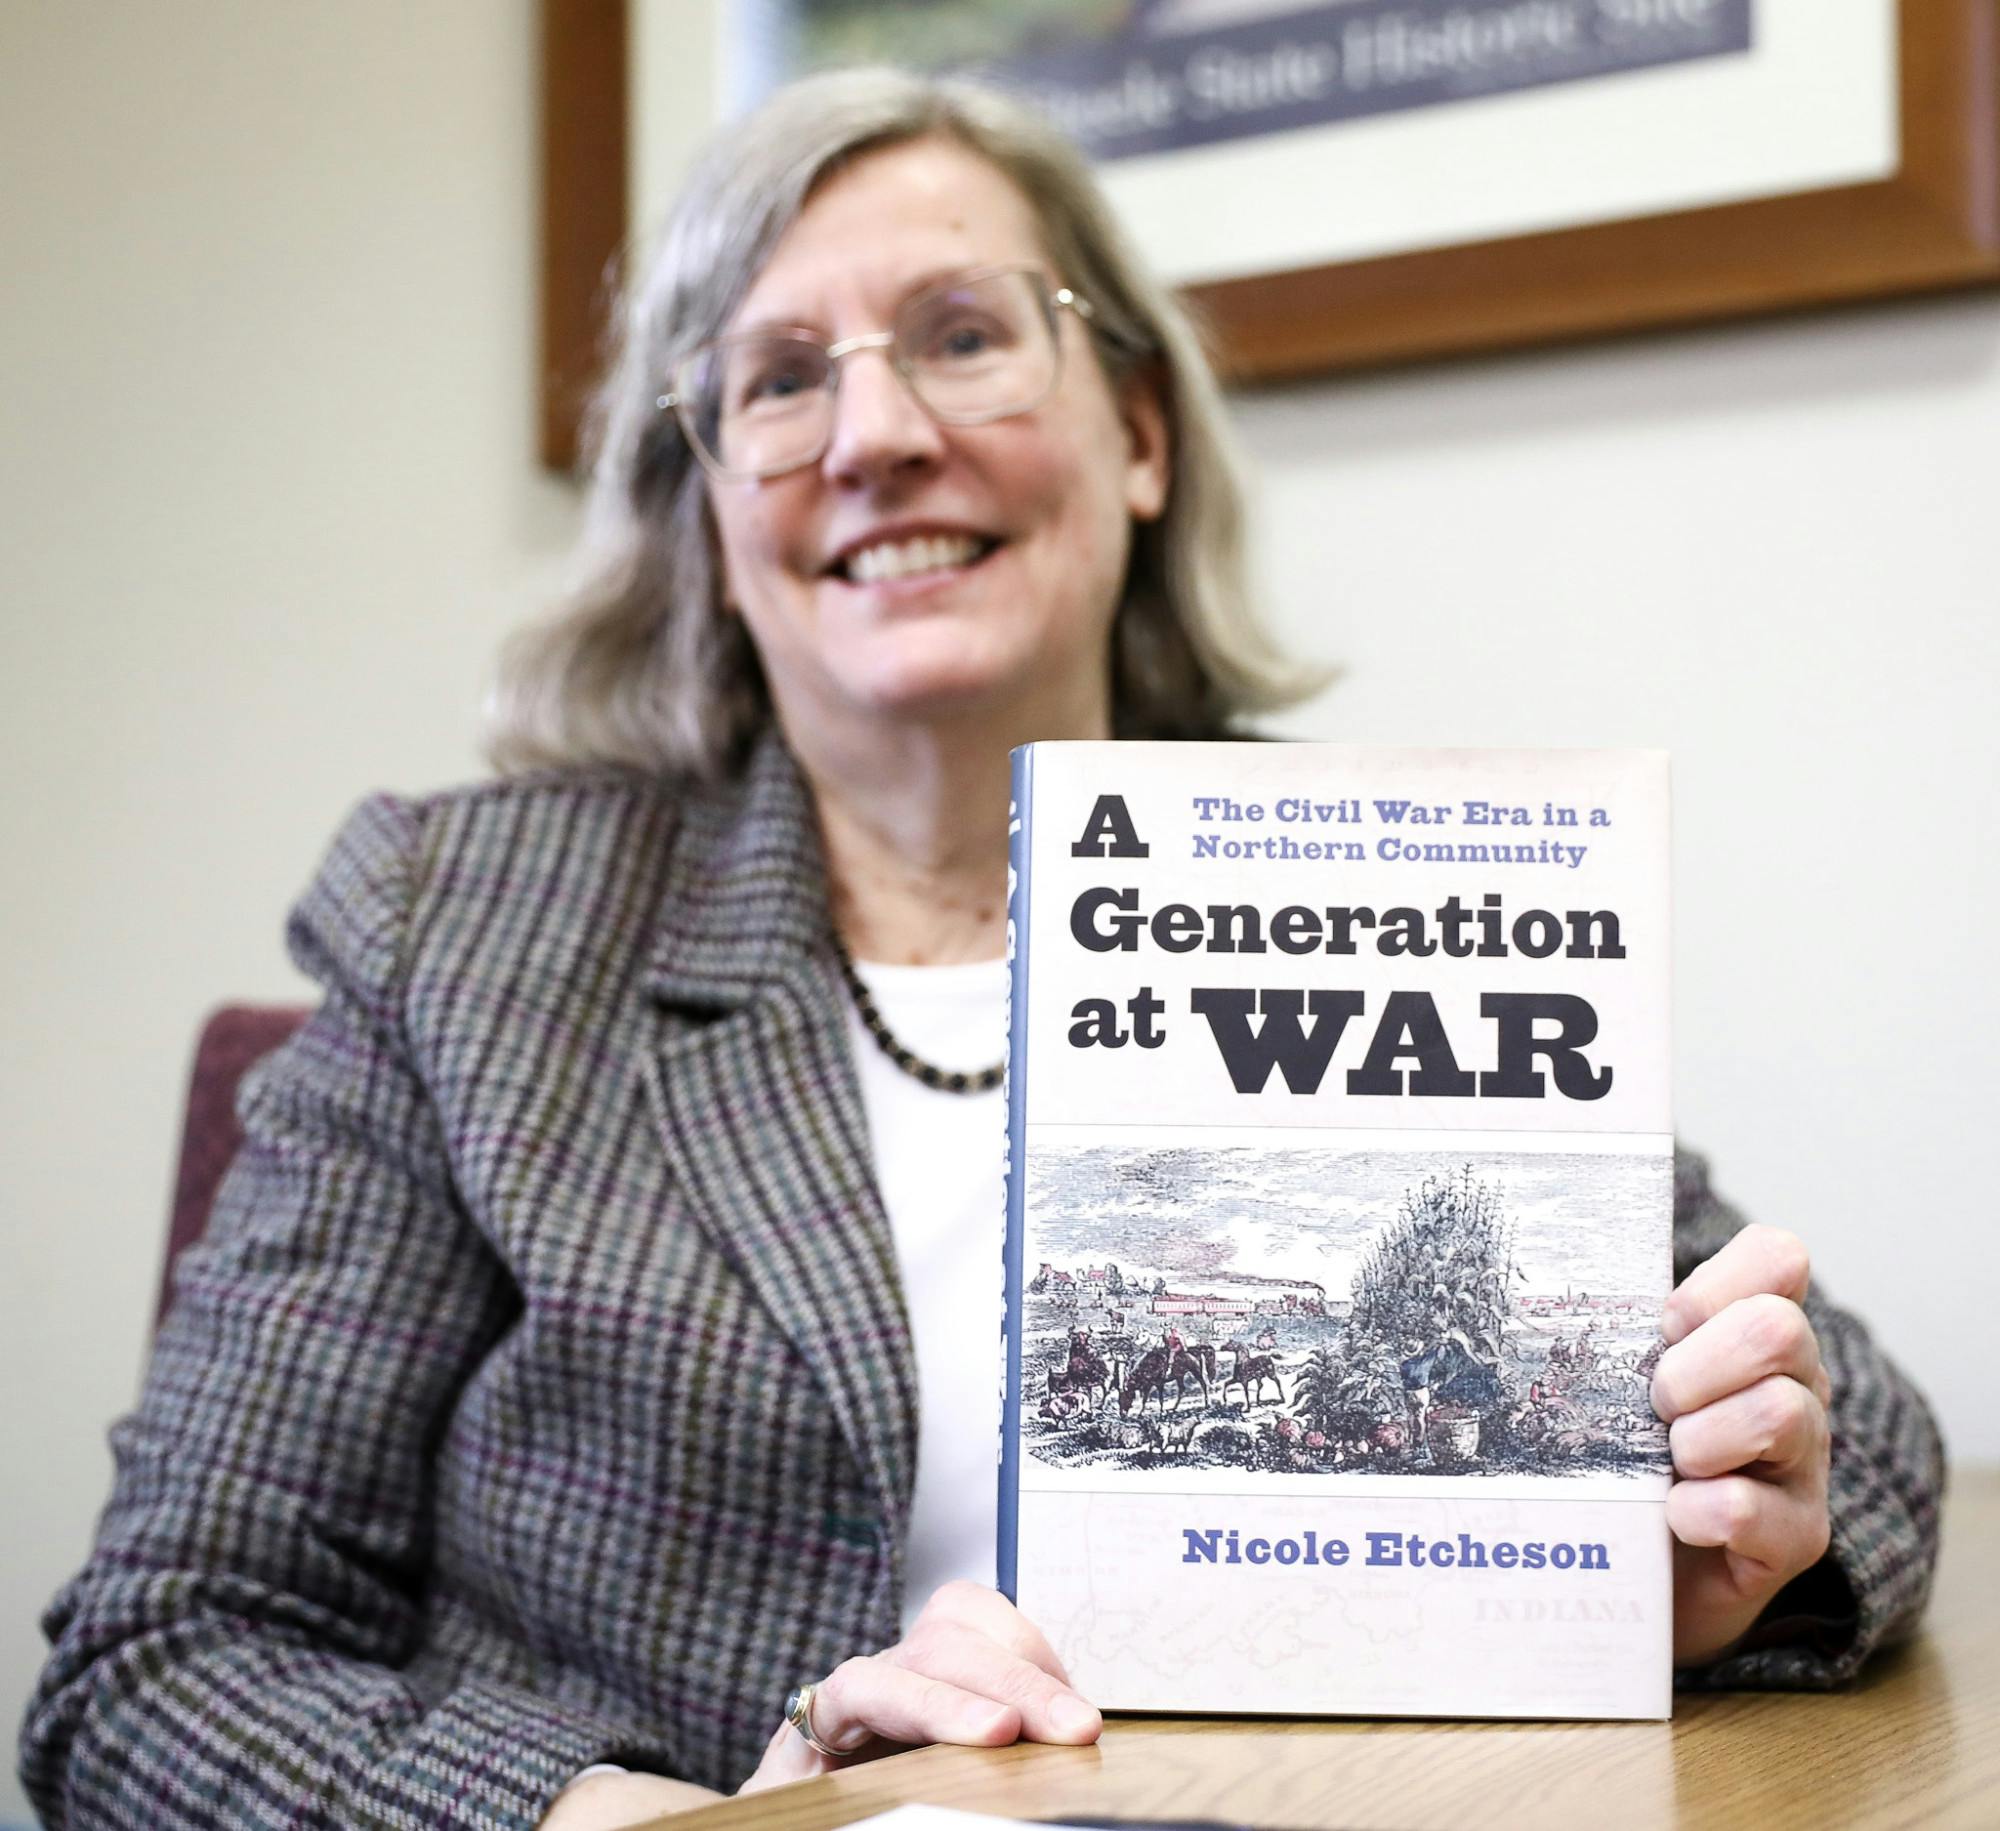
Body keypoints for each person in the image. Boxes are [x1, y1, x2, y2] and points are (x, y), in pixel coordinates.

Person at [21, 65, 1943, 1831]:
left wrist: (1704, 1557)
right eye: (778, 380)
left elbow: (1858, 1431)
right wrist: (671, 1826)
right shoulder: (465, 929)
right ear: (708, 519)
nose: (875, 434)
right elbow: (160, 1664)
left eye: (960, 338)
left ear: (1133, 438)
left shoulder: (1368, 875)